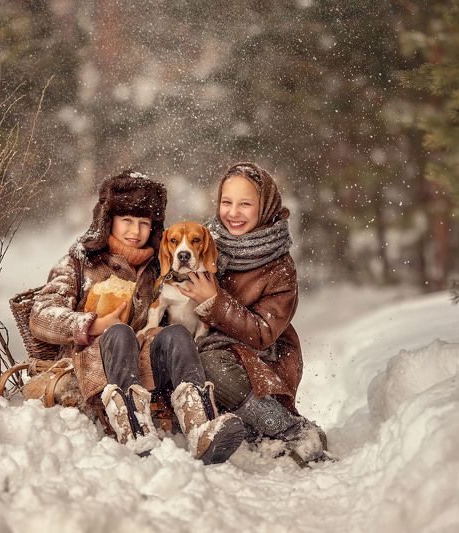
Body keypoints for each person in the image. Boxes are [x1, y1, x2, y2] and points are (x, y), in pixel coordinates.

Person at [28, 170, 245, 464]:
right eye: (127, 221)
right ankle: (134, 428)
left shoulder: (158, 270)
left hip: (144, 364)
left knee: (177, 335)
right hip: (92, 362)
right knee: (118, 333)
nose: (135, 231)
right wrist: (93, 324)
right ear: (109, 221)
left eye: (144, 223)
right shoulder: (81, 262)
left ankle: (200, 427)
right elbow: (40, 315)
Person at [178, 162, 327, 465]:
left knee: (208, 363)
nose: (233, 213)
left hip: (263, 355)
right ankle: (251, 432)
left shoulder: (279, 266)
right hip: (213, 344)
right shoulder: (205, 244)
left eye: (245, 204)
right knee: (181, 351)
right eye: (226, 202)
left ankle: (291, 428)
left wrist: (214, 301)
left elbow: (262, 333)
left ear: (265, 206)